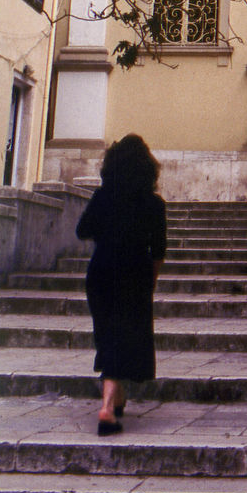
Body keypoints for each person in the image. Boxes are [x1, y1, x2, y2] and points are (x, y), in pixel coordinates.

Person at [76, 134, 167, 435]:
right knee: (124, 336)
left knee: (108, 335)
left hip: (101, 271)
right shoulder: (155, 204)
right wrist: (150, 282)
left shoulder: (103, 196)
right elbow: (159, 250)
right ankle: (106, 410)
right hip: (135, 274)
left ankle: (117, 399)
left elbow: (82, 230)